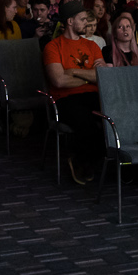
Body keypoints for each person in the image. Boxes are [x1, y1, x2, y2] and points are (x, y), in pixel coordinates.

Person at [43, 10, 105, 183]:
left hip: (93, 94)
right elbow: (59, 81)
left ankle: (115, 162)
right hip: (65, 98)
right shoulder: (53, 46)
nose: (87, 23)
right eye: (83, 19)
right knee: (86, 121)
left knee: (116, 114)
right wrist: (89, 77)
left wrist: (74, 72)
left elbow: (102, 76)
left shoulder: (92, 46)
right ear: (70, 21)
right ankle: (81, 161)